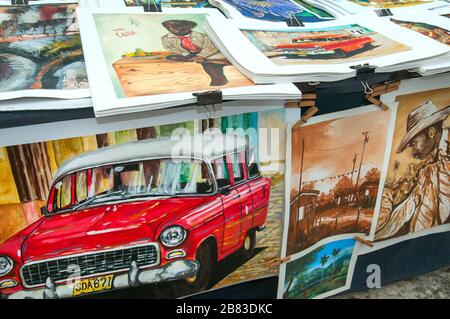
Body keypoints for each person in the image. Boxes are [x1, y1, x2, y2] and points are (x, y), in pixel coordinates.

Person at [376, 101, 450, 240]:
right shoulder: (427, 170)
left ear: (431, 132)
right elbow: (410, 208)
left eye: (414, 143)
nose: (412, 151)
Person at [161, 19, 229, 86]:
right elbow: (171, 48)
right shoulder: (166, 38)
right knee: (171, 57)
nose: (173, 29)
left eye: (179, 27)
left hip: (210, 53)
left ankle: (218, 79)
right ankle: (193, 59)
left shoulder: (201, 36)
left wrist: (201, 56)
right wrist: (187, 55)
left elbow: (210, 47)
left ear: (188, 27)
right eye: (169, 28)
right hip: (190, 54)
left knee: (207, 63)